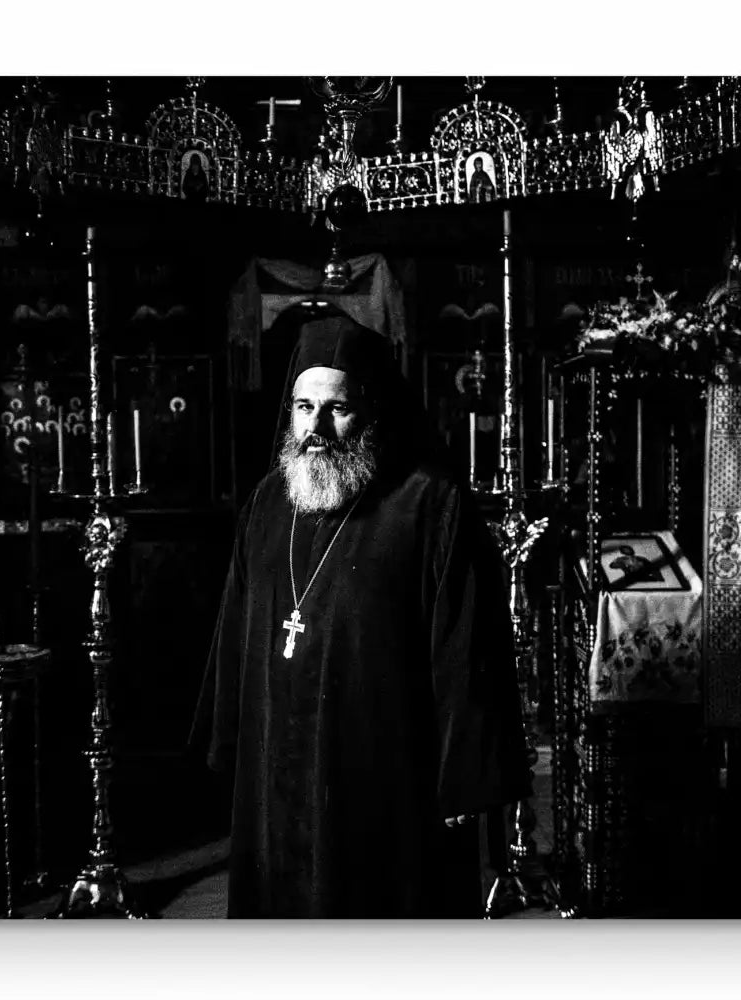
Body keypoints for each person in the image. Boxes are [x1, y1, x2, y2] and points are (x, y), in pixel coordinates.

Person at [192, 312, 530, 918]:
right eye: (302, 407)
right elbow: (235, 627)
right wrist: (228, 738)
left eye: (336, 409)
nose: (315, 427)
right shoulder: (270, 501)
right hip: (277, 770)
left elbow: (464, 643)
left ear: (372, 409)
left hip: (382, 771)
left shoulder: (429, 503)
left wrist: (464, 774)